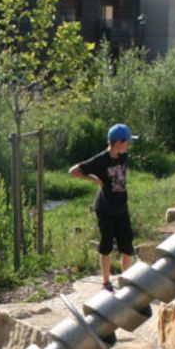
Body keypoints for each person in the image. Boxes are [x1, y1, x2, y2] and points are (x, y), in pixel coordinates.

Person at [70, 123, 137, 292]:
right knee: (106, 244)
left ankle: (125, 279)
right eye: (127, 142)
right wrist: (94, 179)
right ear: (118, 142)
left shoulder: (124, 156)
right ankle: (106, 282)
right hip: (105, 208)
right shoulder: (100, 160)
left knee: (127, 244)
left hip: (121, 206)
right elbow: (74, 171)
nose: (129, 145)